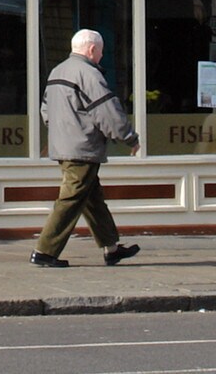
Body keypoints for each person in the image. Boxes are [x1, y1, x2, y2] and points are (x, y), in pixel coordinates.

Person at [31, 27, 142, 268]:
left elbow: (46, 111)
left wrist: (60, 134)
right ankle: (44, 251)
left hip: (65, 146)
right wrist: (129, 138)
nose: (101, 57)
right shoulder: (89, 74)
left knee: (93, 199)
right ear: (92, 50)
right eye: (101, 52)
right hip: (82, 148)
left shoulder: (57, 71)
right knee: (70, 199)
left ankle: (111, 248)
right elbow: (108, 111)